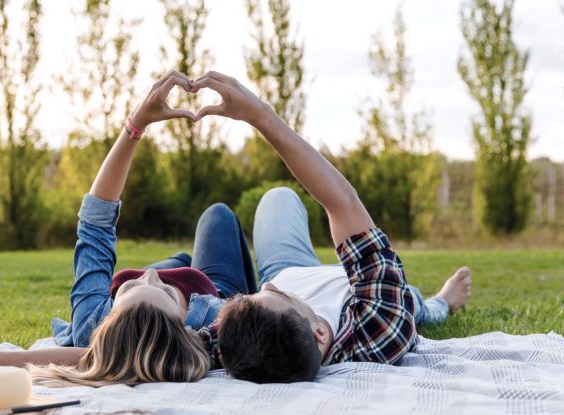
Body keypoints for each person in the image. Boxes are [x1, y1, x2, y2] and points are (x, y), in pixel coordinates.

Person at [0, 70, 257, 385]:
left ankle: (168, 276)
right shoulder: (218, 322)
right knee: (216, 215)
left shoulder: (91, 322)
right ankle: (178, 275)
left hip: (140, 311)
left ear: (109, 318)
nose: (150, 274)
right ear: (187, 332)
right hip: (211, 287)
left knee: (171, 264)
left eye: (126, 289)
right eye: (164, 291)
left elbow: (95, 223)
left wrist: (135, 125)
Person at [184, 70, 472, 383]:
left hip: (287, 268)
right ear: (320, 332)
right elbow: (342, 202)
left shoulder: (235, 343)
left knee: (277, 197)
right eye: (275, 296)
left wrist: (136, 127)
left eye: (255, 296)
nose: (264, 287)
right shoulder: (380, 327)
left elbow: (154, 347)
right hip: (356, 287)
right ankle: (443, 299)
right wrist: (260, 115)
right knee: (414, 301)